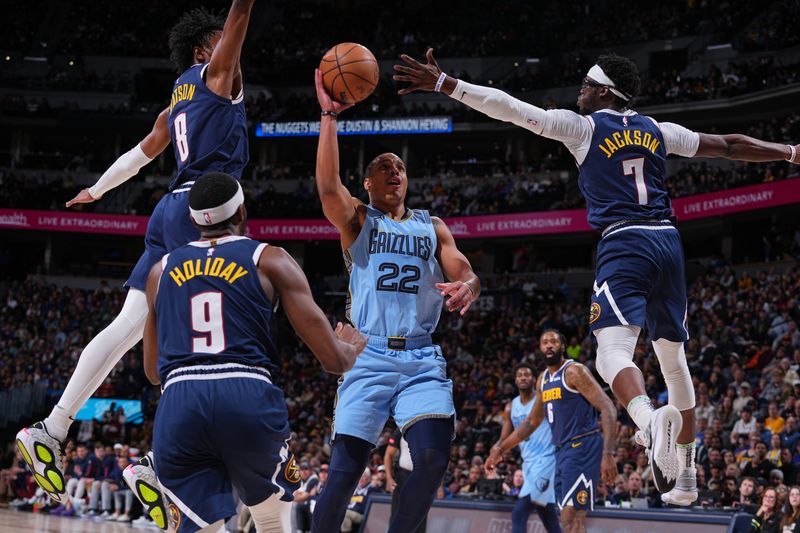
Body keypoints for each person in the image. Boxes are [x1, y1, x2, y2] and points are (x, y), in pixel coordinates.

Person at [394, 48, 800, 507]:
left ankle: (649, 424)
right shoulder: (659, 131)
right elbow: (728, 144)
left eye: (587, 84)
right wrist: (790, 151)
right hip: (669, 242)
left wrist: (447, 84)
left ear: (606, 91)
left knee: (610, 354)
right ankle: (685, 474)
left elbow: (510, 107)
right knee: (674, 358)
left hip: (625, 242)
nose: (580, 91)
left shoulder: (584, 128)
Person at [16, 1, 256, 518]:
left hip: (168, 209)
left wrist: (97, 188)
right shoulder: (219, 76)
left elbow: (144, 152)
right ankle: (163, 462)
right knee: (225, 335)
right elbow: (240, 16)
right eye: (223, 42)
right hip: (207, 211)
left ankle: (52, 428)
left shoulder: (178, 98)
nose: (234, 51)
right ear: (202, 49)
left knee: (126, 327)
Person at [140, 172, 367, 533]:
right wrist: (350, 349)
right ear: (242, 210)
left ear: (193, 218)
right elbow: (333, 361)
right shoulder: (269, 258)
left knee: (201, 523)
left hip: (180, 398)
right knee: (269, 513)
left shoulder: (159, 271)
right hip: (245, 391)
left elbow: (152, 371)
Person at [310, 67, 481, 533]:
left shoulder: (433, 224)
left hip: (421, 356)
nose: (395, 173)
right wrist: (329, 116)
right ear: (366, 183)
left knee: (429, 459)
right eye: (384, 167)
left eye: (401, 168)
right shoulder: (359, 221)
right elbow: (328, 189)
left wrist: (471, 285)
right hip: (367, 354)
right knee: (343, 477)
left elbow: (465, 271)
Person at [485, 330, 618, 533]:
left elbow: (608, 408)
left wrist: (608, 454)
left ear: (562, 346)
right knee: (570, 520)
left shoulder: (574, 372)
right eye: (544, 342)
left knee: (570, 517)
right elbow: (531, 422)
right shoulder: (543, 380)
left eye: (553, 342)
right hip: (561, 451)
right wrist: (501, 449)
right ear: (539, 348)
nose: (549, 345)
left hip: (583, 446)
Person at [493, 363, 561, 533]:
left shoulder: (543, 400)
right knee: (548, 516)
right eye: (520, 375)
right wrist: (493, 453)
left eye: (527, 374)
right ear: (515, 380)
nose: (523, 377)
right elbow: (503, 438)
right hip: (529, 464)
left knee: (519, 513)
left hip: (547, 461)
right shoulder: (511, 406)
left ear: (534, 379)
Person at [384, 430, 426, 533]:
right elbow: (388, 455)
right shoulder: (402, 429)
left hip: (424, 478)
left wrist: (439, 484)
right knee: (397, 516)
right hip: (403, 477)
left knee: (420, 518)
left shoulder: (431, 429)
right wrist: (389, 478)